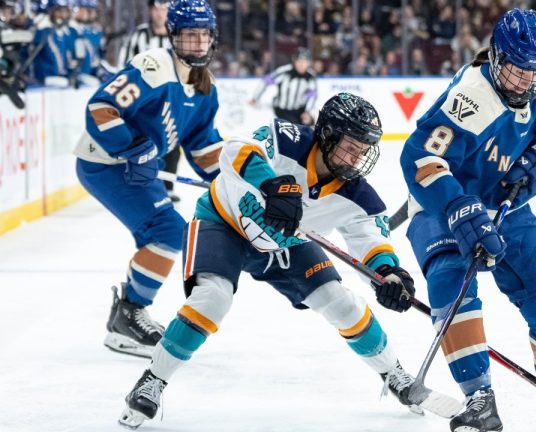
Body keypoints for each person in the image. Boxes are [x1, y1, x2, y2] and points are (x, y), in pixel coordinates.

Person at [117, 93, 461, 429]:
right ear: (327, 135)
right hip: (223, 222)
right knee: (212, 298)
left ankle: (394, 374)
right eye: (350, 147)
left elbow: (371, 241)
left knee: (342, 304)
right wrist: (271, 185)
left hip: (287, 245)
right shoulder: (286, 139)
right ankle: (153, 380)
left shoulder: (359, 196)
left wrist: (389, 275)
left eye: (363, 151)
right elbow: (237, 150)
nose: (356, 159)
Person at [399, 9, 536, 432]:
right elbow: (419, 158)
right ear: (495, 59)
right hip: (445, 205)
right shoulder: (471, 98)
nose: (527, 83)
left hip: (504, 208)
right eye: (517, 71)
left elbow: (532, 135)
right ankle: (478, 399)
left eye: (535, 72)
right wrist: (456, 205)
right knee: (453, 287)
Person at [73, 0, 223, 359]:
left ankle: (124, 318)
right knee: (168, 231)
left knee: (164, 233)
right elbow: (100, 108)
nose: (198, 44)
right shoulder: (153, 67)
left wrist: (233, 179)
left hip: (134, 167)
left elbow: (203, 148)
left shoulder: (205, 88)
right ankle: (128, 314)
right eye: (189, 37)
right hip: (104, 162)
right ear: (173, 37)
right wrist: (132, 146)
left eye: (204, 36)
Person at [118, 0, 182, 201]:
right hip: (143, 101)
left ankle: (168, 187)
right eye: (156, 8)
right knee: (143, 144)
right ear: (151, 11)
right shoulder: (139, 35)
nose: (160, 13)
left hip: (172, 99)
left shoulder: (179, 36)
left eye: (164, 8)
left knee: (171, 144)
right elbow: (125, 65)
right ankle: (142, 184)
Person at [248, 46, 317, 126]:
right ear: (294, 61)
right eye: (299, 61)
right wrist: (255, 98)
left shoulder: (310, 76)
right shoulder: (285, 72)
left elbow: (312, 95)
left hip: (299, 111)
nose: (301, 64)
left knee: (311, 126)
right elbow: (265, 81)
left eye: (305, 61)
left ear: (309, 63)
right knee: (293, 129)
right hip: (282, 111)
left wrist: (307, 111)